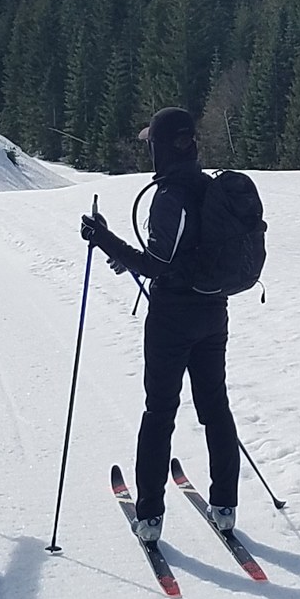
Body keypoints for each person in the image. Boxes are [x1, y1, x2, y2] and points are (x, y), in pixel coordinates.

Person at [78, 107, 241, 542]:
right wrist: (120, 252)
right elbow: (176, 260)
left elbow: (157, 263)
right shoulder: (210, 190)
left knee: (160, 411)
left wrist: (104, 239)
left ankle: (149, 517)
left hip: (173, 321)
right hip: (213, 312)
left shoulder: (171, 196)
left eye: (150, 143)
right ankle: (225, 505)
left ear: (161, 149)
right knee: (215, 407)